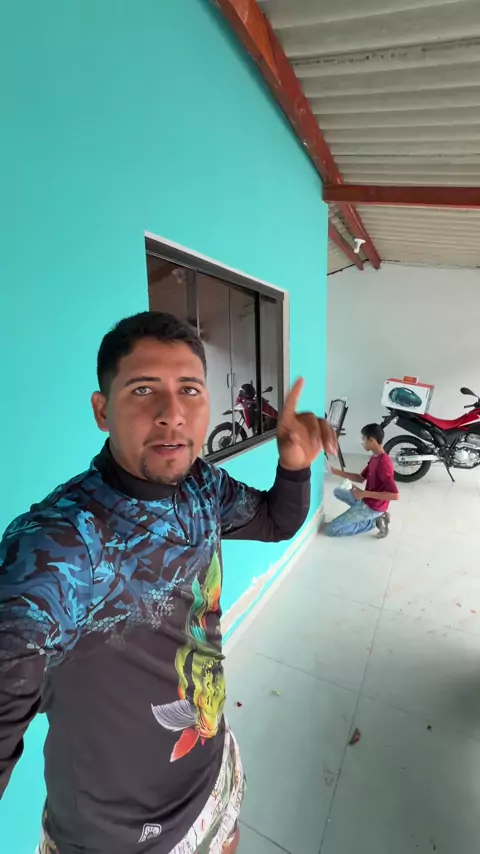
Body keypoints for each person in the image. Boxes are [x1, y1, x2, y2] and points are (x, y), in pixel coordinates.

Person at [0, 311, 336, 854]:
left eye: (189, 390)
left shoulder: (203, 486)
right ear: (102, 411)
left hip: (212, 768)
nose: (172, 414)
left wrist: (294, 465)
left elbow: (276, 521)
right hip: (115, 836)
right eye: (143, 390)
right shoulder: (60, 543)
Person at [326, 423, 399, 538]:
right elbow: (360, 478)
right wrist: (335, 471)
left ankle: (372, 522)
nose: (362, 443)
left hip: (372, 508)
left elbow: (395, 495)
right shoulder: (374, 457)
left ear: (371, 440)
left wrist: (364, 493)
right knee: (337, 491)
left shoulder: (384, 463)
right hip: (366, 500)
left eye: (363, 439)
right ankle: (373, 516)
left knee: (331, 530)